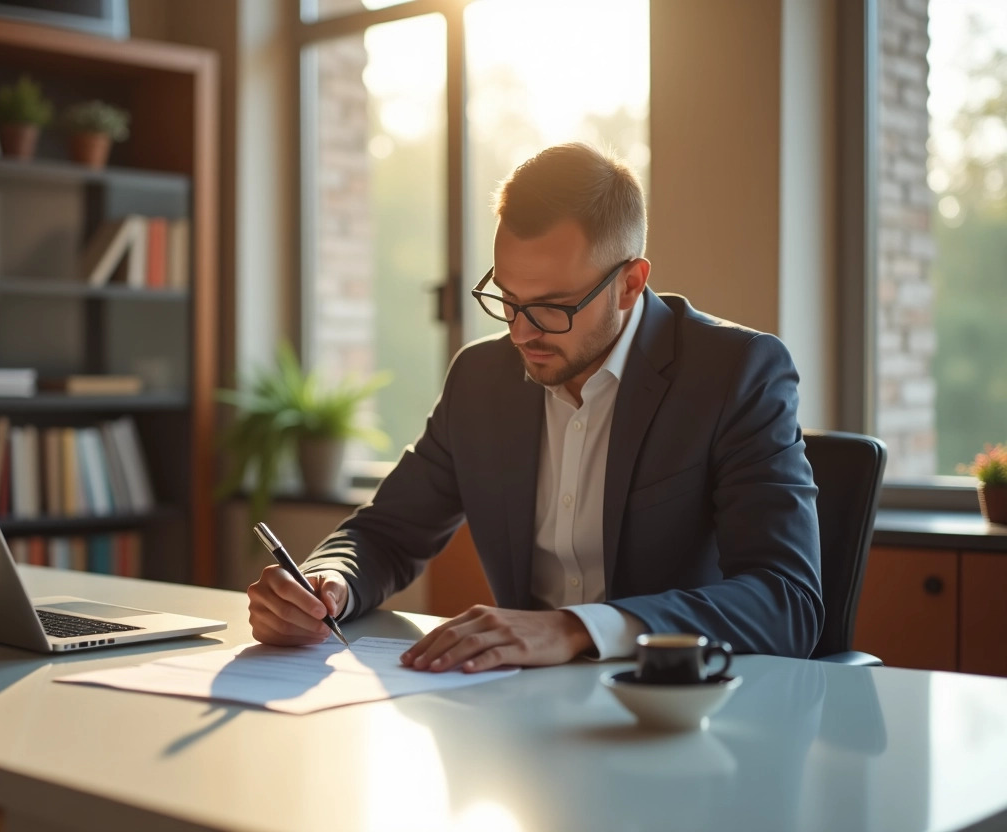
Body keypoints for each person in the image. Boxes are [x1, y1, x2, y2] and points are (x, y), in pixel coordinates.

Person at [247, 142, 823, 672]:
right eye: (508, 299)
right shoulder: (481, 378)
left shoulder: (734, 372)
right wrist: (329, 582)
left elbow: (786, 598)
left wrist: (574, 630)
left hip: (681, 715)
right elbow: (389, 532)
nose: (522, 333)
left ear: (629, 284)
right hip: (518, 709)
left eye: (553, 307)